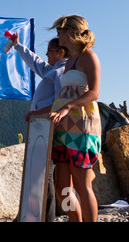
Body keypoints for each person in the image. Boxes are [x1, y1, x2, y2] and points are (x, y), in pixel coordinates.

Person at [48, 15, 102, 222]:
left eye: (59, 31)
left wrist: (67, 108)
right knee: (63, 187)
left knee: (82, 184)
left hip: (82, 124)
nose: (57, 35)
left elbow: (94, 93)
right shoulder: (68, 60)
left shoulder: (88, 56)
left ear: (71, 32)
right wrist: (39, 111)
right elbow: (64, 94)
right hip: (62, 126)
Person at [13, 36, 68, 222]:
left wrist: (35, 113)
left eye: (50, 50)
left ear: (61, 52)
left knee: (47, 177)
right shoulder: (53, 69)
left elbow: (60, 102)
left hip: (49, 128)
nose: (46, 54)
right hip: (43, 127)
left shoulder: (61, 70)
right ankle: (35, 215)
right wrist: (18, 45)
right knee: (43, 176)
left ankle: (47, 217)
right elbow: (35, 62)